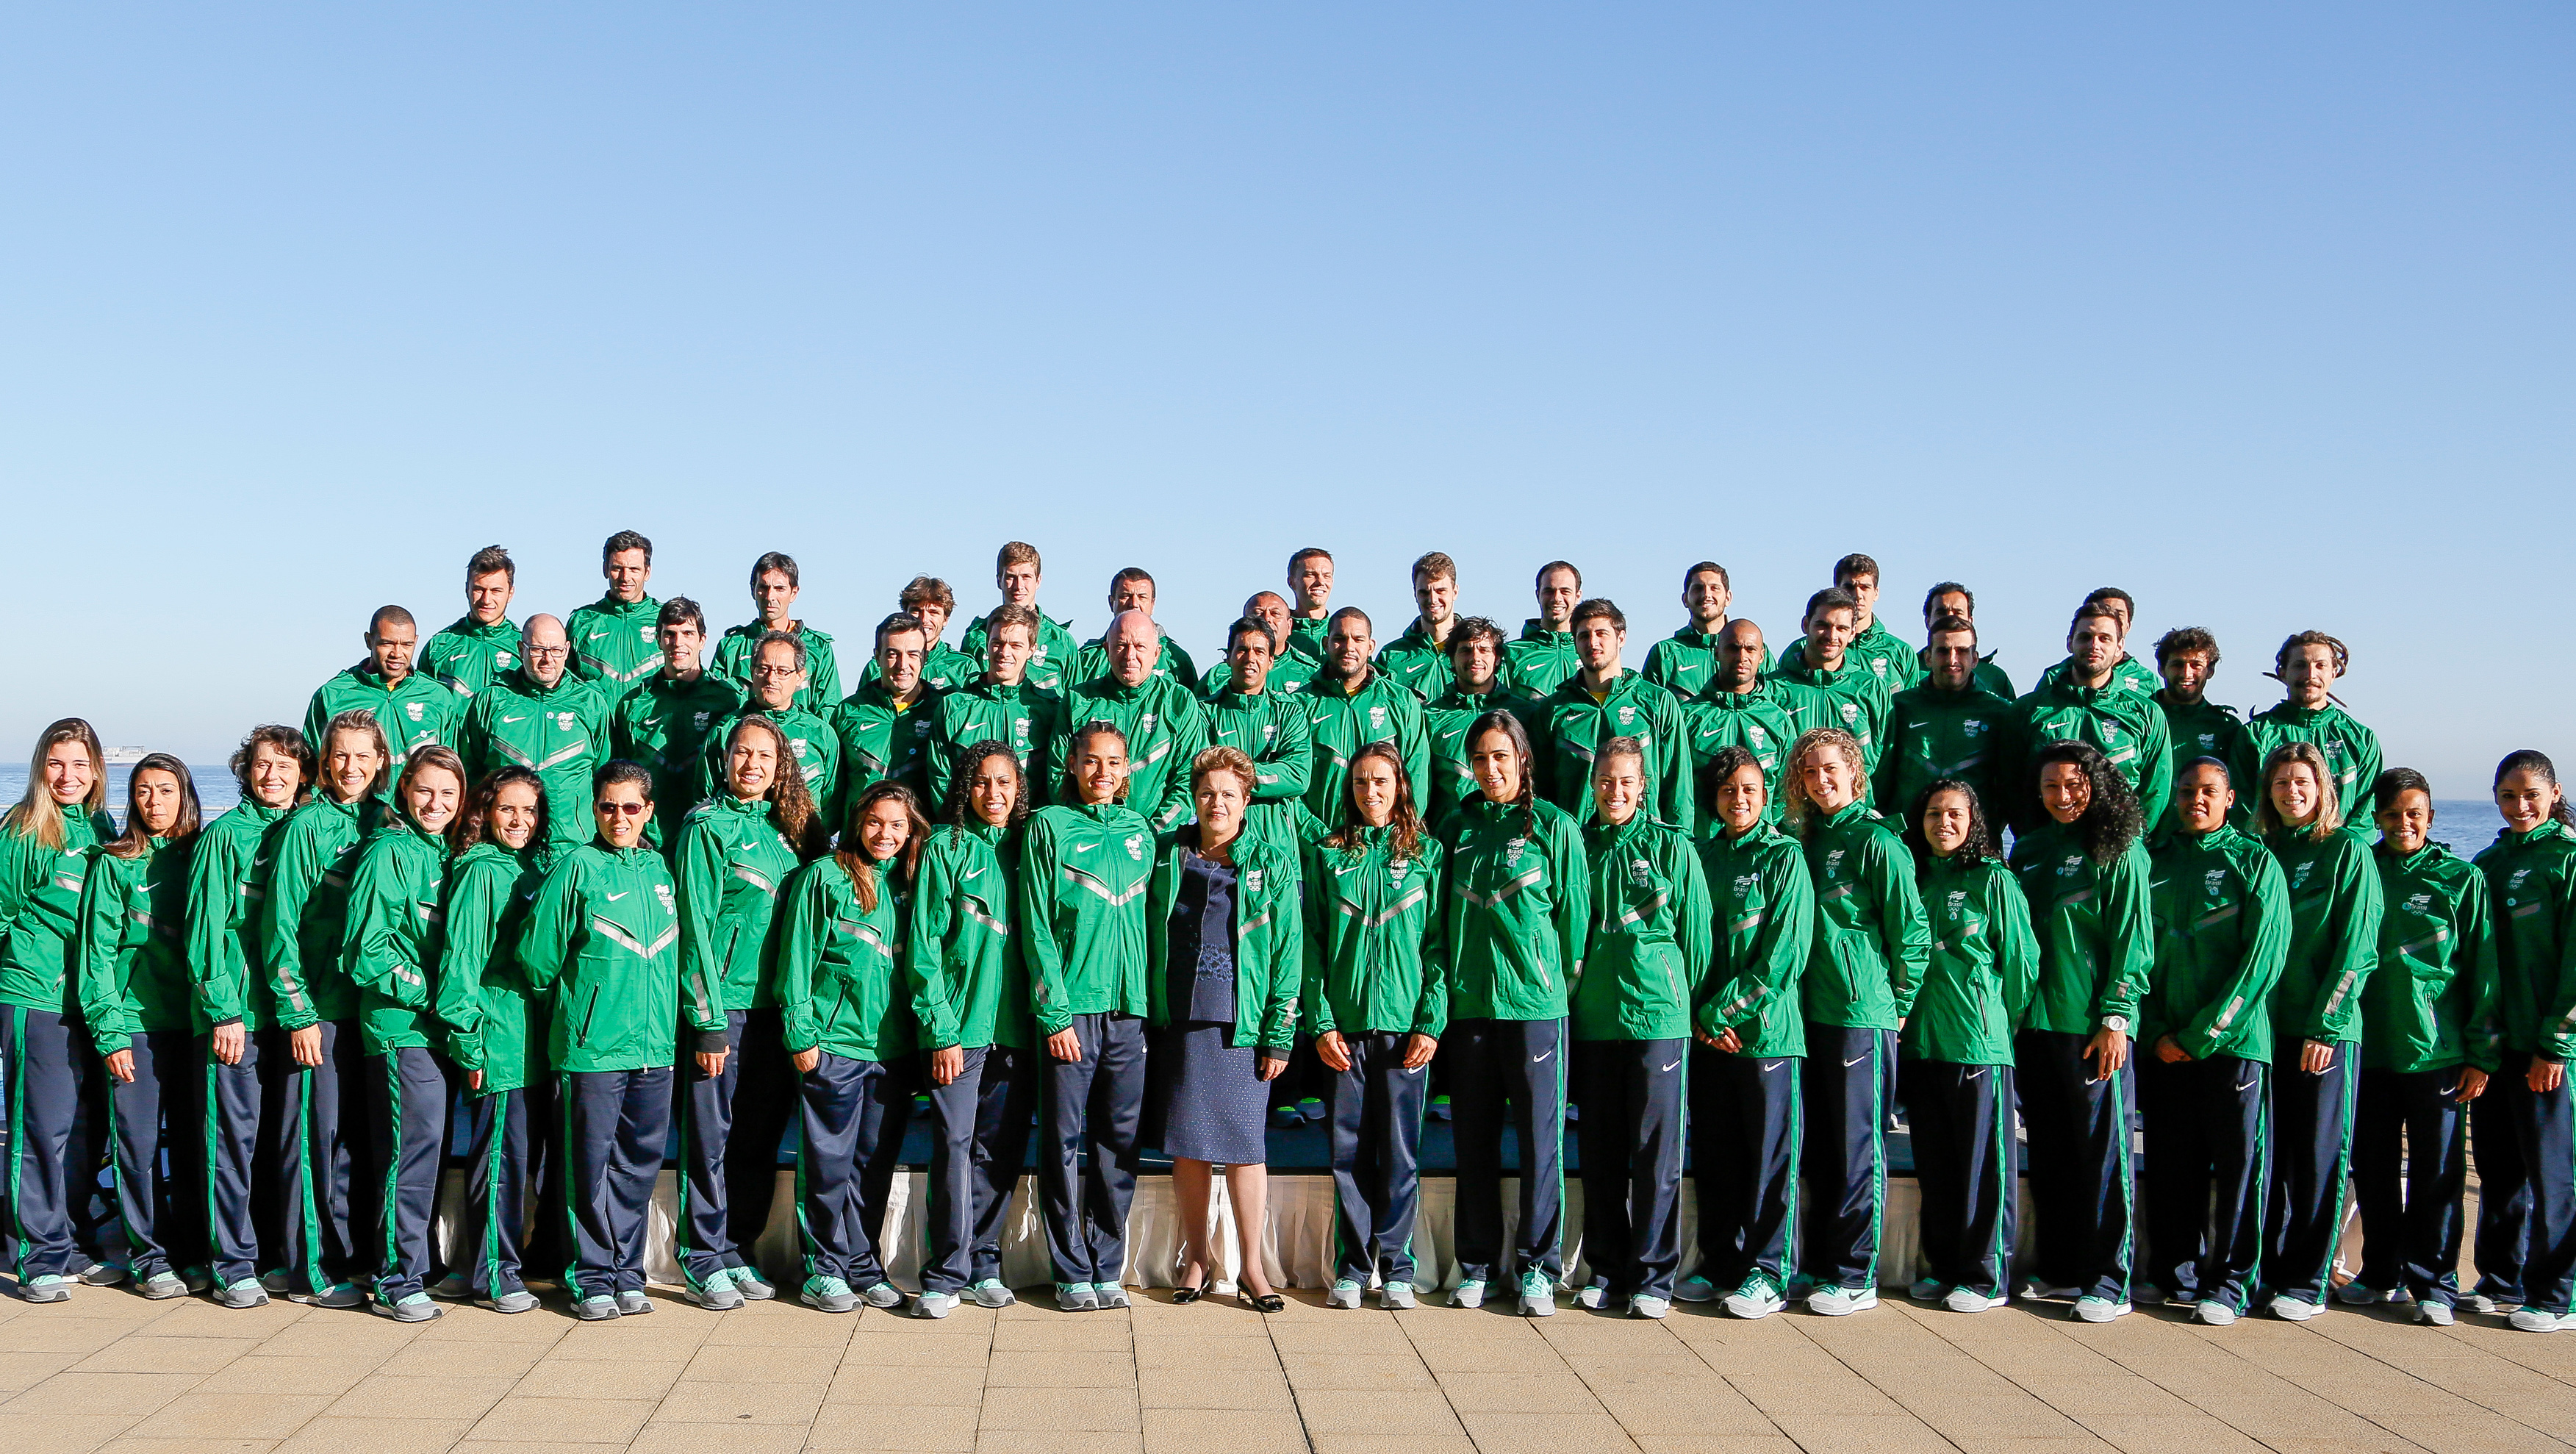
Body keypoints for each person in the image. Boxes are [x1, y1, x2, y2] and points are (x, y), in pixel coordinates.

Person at [518, 761, 681, 1320]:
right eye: (608, 806)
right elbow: (538, 959)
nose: (619, 817)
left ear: (648, 812)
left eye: (630, 807)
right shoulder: (576, 868)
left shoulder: (661, 870)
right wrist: (579, 1009)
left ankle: (626, 1272)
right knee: (588, 1167)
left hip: (654, 1047)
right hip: (592, 1049)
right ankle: (590, 1277)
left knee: (638, 1165)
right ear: (594, 809)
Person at [673, 714, 825, 1309]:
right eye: (742, 753)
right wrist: (708, 1020)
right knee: (710, 1138)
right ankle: (701, 1256)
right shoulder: (705, 828)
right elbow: (695, 930)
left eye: (765, 755)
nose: (753, 765)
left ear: (781, 764)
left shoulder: (795, 829)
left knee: (758, 1139)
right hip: (725, 1011)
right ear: (725, 758)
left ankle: (737, 1247)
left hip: (778, 1012)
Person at [1441, 709, 1588, 1317]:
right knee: (1471, 1140)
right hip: (1470, 1007)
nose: (1490, 768)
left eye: (1500, 756)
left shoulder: (1554, 826)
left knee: (1538, 1142)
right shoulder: (1456, 827)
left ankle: (1537, 1267)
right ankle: (1474, 1265)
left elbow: (1575, 925)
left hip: (1535, 1008)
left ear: (1522, 758)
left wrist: (1553, 989)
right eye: (1479, 759)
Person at [1146, 748, 1301, 1310]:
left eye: (1229, 794)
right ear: (1194, 796)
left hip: (1244, 1022)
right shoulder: (1168, 855)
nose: (1217, 803)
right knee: (1188, 1147)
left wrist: (1280, 1031)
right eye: (1208, 792)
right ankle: (1196, 1259)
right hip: (1181, 1018)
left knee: (1243, 1147)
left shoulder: (1271, 860)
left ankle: (1251, 1269)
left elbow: (1288, 950)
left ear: (1246, 800)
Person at [1783, 726, 1928, 1316]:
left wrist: (1892, 1008)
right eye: (1810, 772)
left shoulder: (1876, 842)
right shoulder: (1807, 840)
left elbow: (1910, 933)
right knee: (1819, 1148)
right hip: (1807, 1015)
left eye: (1830, 770)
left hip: (1858, 1016)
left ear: (1854, 773)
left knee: (1855, 1147)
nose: (1821, 780)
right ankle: (1819, 1264)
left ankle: (1854, 1273)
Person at [2142, 759, 2291, 1326]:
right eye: (2186, 791)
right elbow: (2139, 953)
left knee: (2238, 1167)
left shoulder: (2254, 862)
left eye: (2208, 791)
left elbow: (2262, 961)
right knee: (2171, 1161)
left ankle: (2229, 1281)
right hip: (2164, 1046)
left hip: (2232, 1047)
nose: (2195, 800)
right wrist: (2156, 1031)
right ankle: (2174, 1271)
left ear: (2230, 799)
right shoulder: (2154, 864)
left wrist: (2203, 1034)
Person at [2007, 741, 2152, 1322]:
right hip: (2035, 1026)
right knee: (2050, 1152)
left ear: (2096, 784)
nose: (2062, 796)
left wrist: (2116, 1018)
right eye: (2050, 787)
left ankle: (2108, 1278)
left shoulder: (2118, 849)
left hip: (2091, 1029)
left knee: (2101, 1154)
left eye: (2073, 785)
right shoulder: (2034, 848)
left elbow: (2132, 941)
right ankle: (2062, 1268)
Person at [2344, 768, 2491, 1325]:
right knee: (2374, 1168)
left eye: (2415, 813)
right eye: (2392, 814)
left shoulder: (2460, 878)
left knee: (2436, 1174)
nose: (2404, 823)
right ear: (2375, 817)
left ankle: (2434, 1284)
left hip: (2438, 1053)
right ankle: (2379, 1272)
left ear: (2430, 816)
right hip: (2368, 1049)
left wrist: (2481, 1052)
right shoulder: (2360, 870)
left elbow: (2482, 971)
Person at [1303, 740, 1446, 1310]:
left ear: (1400, 786)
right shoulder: (1328, 854)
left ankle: (1399, 1268)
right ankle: (1352, 1267)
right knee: (1349, 1152)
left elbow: (1438, 947)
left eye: (1381, 781)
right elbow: (1312, 947)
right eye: (1361, 782)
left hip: (1405, 1028)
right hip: (1344, 1028)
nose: (1371, 792)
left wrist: (1430, 1022)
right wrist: (1319, 1022)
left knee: (1400, 1151)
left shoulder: (1426, 855)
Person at [1571, 737, 1711, 1319]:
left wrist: (1681, 1001)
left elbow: (1699, 938)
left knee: (1655, 1153)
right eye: (1605, 780)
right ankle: (1606, 1269)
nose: (1614, 791)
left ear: (1643, 785)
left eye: (1625, 781)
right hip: (1597, 1019)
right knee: (1600, 1151)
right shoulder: (1578, 845)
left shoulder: (1671, 847)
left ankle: (1653, 1276)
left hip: (1659, 1018)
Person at [1019, 723, 1156, 1311]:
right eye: (1091, 762)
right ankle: (1069, 1266)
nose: (1102, 772)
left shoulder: (1140, 831)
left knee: (1118, 1143)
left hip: (1130, 1014)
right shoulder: (1049, 826)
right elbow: (1035, 925)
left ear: (1128, 770)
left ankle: (1105, 1261)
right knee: (1063, 1141)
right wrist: (1055, 1013)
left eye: (1114, 763)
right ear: (1072, 765)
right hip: (1072, 1010)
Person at [1675, 745, 1813, 1317]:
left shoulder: (1784, 858)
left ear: (1766, 796)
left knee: (1767, 1158)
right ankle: (1720, 1262)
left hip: (1764, 1035)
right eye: (1729, 790)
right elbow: (1682, 942)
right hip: (1708, 1036)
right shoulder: (1700, 856)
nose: (1739, 799)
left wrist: (1721, 1013)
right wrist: (1697, 1017)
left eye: (1750, 791)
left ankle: (1768, 1269)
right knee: (1716, 1154)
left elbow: (1784, 955)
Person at [778, 781, 927, 1314]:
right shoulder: (824, 877)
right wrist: (801, 1032)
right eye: (874, 822)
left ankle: (864, 1265)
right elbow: (797, 958)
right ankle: (823, 1268)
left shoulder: (913, 884)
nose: (884, 833)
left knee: (872, 1166)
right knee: (827, 1164)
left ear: (910, 830)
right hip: (833, 1045)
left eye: (896, 825)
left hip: (890, 1053)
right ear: (857, 820)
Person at [905, 741, 1038, 1315]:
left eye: (1004, 783)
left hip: (1018, 1029)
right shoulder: (945, 847)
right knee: (953, 1146)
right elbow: (923, 948)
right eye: (982, 782)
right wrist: (940, 1028)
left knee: (998, 1150)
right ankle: (945, 1271)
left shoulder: (1032, 848)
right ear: (965, 787)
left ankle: (985, 1261)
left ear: (1020, 789)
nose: (993, 794)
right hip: (959, 1029)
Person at [2253, 741, 2383, 1320]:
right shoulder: (2260, 849)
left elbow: (2357, 948)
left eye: (2301, 782)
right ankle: (2269, 1271)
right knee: (2272, 1155)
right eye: (2281, 782)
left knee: (2317, 1155)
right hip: (2262, 1032)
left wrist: (2325, 1026)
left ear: (2323, 788)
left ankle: (2307, 1280)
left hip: (2322, 1032)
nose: (2291, 791)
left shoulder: (2347, 852)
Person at [263, 710, 390, 1307]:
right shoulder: (306, 826)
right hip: (319, 1013)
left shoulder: (387, 822)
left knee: (361, 1146)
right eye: (340, 755)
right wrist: (297, 1013)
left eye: (363, 756)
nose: (351, 767)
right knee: (315, 1143)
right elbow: (278, 928)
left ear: (381, 761)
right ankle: (310, 1271)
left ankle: (359, 1257)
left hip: (371, 1014)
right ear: (323, 760)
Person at [1900, 781, 2038, 1314]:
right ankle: (1944, 1266)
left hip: (1978, 1045)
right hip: (1923, 1045)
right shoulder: (1915, 878)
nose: (1943, 823)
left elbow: (2021, 967)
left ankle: (1985, 1275)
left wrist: (1996, 1022)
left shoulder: (1994, 880)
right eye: (1933, 813)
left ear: (1973, 820)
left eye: (1954, 814)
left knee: (1983, 1166)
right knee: (1936, 1165)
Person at [187, 725, 312, 1309]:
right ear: (245, 770)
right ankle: (230, 1264)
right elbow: (205, 930)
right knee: (230, 1142)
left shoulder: (306, 831)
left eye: (285, 766)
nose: (273, 776)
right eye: (263, 765)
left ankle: (270, 1256)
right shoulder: (224, 836)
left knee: (278, 1145)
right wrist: (221, 1010)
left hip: (287, 1014)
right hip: (236, 1016)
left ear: (303, 774)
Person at [342, 744, 468, 1322]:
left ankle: (415, 1262)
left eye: (448, 794)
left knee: (429, 1152)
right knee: (409, 1155)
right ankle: (396, 1278)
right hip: (400, 1029)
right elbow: (364, 953)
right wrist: (435, 994)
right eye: (424, 791)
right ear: (402, 791)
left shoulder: (445, 854)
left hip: (436, 1030)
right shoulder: (389, 851)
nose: (435, 803)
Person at [76, 753, 206, 1300]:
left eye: (166, 790)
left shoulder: (203, 856)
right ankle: (148, 1257)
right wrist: (111, 1033)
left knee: (199, 1144)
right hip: (134, 1027)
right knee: (137, 1145)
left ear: (186, 796)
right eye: (145, 791)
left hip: (198, 1025)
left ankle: (195, 1250)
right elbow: (96, 956)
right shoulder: (114, 862)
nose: (155, 802)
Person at [1, 720, 119, 1303]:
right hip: (35, 999)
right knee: (38, 1129)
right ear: (39, 768)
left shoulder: (100, 825)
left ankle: (67, 1240)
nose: (67, 776)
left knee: (83, 1129)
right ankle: (32, 1254)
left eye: (79, 764)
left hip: (89, 1004)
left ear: (96, 768)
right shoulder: (24, 830)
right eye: (56, 763)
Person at [440, 767, 556, 1314]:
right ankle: (493, 1273)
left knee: (521, 1160)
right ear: (485, 811)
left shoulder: (530, 867)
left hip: (535, 1043)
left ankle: (491, 1265)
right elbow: (459, 965)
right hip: (499, 1041)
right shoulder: (480, 871)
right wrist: (470, 1041)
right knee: (500, 1163)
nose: (519, 821)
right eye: (508, 808)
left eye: (530, 810)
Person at [2468, 751, 2576, 1332]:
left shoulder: (2568, 861)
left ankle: (2556, 1292)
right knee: (2497, 1166)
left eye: (2530, 794)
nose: (2520, 806)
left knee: (2551, 1169)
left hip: (2546, 1050)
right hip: (2495, 1045)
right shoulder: (2486, 863)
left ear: (2553, 794)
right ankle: (2498, 1277)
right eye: (2508, 796)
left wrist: (2554, 1045)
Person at [2003, 603, 2175, 833]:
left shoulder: (2147, 713)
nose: (2094, 645)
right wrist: (2036, 843)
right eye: (2085, 637)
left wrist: (2129, 841)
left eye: (2105, 638)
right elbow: (2010, 787)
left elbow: (2155, 792)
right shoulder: (2028, 710)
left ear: (2119, 647)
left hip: (2119, 852)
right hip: (2048, 852)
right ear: (2069, 642)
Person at [1539, 599, 1692, 836]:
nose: (1593, 643)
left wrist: (1679, 842)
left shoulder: (1657, 702)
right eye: (1583, 636)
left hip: (1643, 845)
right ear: (1575, 642)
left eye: (1602, 634)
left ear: (1621, 638)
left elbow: (1677, 783)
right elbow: (1540, 790)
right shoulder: (1553, 709)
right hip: (1578, 845)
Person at [461, 615, 613, 849]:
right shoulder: (491, 701)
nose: (547, 659)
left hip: (569, 844)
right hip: (504, 843)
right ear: (521, 649)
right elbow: (470, 770)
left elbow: (603, 774)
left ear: (567, 650)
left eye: (555, 650)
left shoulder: (591, 703)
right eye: (538, 650)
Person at [611, 597, 742, 853]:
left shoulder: (728, 699)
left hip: (707, 835)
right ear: (658, 640)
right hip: (647, 839)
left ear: (703, 640)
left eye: (688, 633)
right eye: (669, 634)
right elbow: (619, 773)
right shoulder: (633, 703)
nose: (678, 642)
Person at [1058, 611, 1208, 833]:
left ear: (1156, 654)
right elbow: (1058, 773)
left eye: (1140, 647)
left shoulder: (1179, 702)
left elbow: (1189, 779)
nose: (1130, 656)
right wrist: (1089, 828)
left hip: (1158, 839)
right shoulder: (1077, 700)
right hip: (1086, 835)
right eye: (1121, 645)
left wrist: (1153, 831)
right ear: (1107, 650)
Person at [2235, 632, 2381, 842]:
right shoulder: (2255, 735)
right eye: (2300, 665)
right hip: (2273, 858)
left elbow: (2366, 814)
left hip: (2336, 862)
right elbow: (2242, 809)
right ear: (2283, 673)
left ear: (2334, 672)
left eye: (2320, 666)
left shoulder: (2360, 739)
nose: (2310, 674)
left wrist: (2341, 854)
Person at [303, 604, 456, 798]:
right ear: (369, 641)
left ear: (416, 642)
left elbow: (449, 769)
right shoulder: (332, 695)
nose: (397, 653)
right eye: (387, 643)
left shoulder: (438, 696)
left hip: (413, 819)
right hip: (354, 819)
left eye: (407, 645)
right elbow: (312, 770)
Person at [1876, 614, 2014, 821]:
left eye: (1961, 651)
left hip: (1975, 840)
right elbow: (1881, 778)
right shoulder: (1899, 707)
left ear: (1975, 659)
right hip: (1909, 840)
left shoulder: (2000, 713)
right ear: (1928, 658)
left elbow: (2011, 786)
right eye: (1943, 651)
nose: (1952, 660)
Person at [929, 604, 1065, 812]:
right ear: (986, 643)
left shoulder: (1050, 709)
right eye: (997, 643)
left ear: (1031, 650)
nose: (1004, 652)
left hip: (1027, 836)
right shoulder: (954, 707)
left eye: (1016, 645)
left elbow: (1058, 782)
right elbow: (941, 781)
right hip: (970, 836)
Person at [1303, 607, 1432, 828]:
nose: (1348, 647)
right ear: (1325, 644)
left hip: (1386, 843)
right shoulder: (1301, 704)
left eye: (1358, 639)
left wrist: (1403, 830)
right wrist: (1315, 838)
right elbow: (1295, 782)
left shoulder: (1400, 701)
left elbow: (1417, 773)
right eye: (1339, 639)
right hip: (1323, 845)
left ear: (1371, 646)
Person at [700, 631, 843, 826]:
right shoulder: (725, 730)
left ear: (800, 676)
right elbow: (705, 798)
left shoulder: (821, 734)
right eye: (763, 669)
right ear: (752, 671)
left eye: (782, 671)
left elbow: (832, 806)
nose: (771, 679)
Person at [1423, 617, 1549, 831]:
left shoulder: (1525, 713)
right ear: (1452, 659)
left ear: (1498, 658)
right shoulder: (1431, 716)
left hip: (1513, 832)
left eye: (1484, 650)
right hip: (1450, 838)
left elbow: (1542, 777)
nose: (1475, 658)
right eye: (1465, 651)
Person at [1202, 615, 1313, 852]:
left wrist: (1232, 777)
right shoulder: (1205, 713)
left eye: (1259, 652)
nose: (1250, 658)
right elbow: (1201, 775)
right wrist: (1269, 775)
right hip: (1220, 847)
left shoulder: (1289, 713)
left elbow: (1298, 776)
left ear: (1271, 661)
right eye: (1242, 650)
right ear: (1228, 657)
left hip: (1278, 846)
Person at [1685, 619, 1798, 834]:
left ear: (1762, 656)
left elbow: (1787, 795)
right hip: (1703, 849)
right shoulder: (1688, 716)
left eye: (1750, 649)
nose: (1742, 657)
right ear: (1717, 653)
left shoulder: (1779, 720)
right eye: (1733, 648)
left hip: (1760, 852)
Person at [1770, 589, 1894, 771]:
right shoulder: (1774, 689)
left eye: (1841, 628)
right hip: (1793, 799)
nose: (1831, 636)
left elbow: (1887, 762)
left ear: (1852, 633)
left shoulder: (1872, 689)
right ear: (1805, 625)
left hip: (1856, 800)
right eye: (1823, 625)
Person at [836, 612, 945, 806]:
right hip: (860, 833)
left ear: (924, 658)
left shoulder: (943, 711)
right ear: (877, 657)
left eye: (912, 654)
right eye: (893, 654)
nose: (902, 665)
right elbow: (831, 791)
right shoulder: (849, 712)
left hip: (922, 833)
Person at [709, 551, 841, 712]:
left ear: (794, 593)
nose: (770, 596)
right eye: (763, 587)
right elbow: (716, 704)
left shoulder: (819, 648)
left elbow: (829, 708)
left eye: (780, 588)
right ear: (753, 590)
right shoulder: (730, 647)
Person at [1776, 554, 1923, 693]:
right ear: (1836, 589)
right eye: (1849, 587)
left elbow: (1909, 707)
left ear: (1876, 593)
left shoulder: (1901, 652)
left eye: (1865, 587)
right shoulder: (1800, 650)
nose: (1858, 595)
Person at [960, 541, 1081, 695]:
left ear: (1038, 581)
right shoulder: (976, 638)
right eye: (1011, 577)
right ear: (999, 581)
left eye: (1026, 577)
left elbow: (1075, 705)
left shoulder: (1062, 642)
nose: (1019, 586)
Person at [565, 529, 664, 705]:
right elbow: (565, 686)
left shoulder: (666, 619)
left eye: (634, 569)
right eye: (618, 568)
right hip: (599, 729)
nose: (625, 577)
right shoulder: (582, 621)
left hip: (649, 729)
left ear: (647, 572)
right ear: (605, 570)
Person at [420, 545, 523, 701]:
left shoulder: (524, 648)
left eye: (496, 591)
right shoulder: (439, 646)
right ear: (466, 589)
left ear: (511, 593)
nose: (486, 600)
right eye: (479, 589)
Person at [1072, 568, 1200, 690]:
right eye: (1125, 596)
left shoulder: (1176, 659)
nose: (1134, 603)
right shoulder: (1088, 659)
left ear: (1152, 604)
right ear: (1112, 602)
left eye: (1142, 597)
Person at [2032, 588, 2161, 699]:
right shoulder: (2055, 676)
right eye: (2102, 610)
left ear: (2128, 625)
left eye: (2118, 614)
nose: (2110, 617)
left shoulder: (2147, 680)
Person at [2151, 626, 2244, 776]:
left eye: (2196, 665)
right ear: (2161, 669)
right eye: (2177, 665)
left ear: (2210, 671)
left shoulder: (2226, 727)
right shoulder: (2139, 717)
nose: (2186, 673)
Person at [1376, 551, 1463, 701]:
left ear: (1455, 592)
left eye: (1440, 591)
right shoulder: (1392, 655)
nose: (1433, 599)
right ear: (1415, 594)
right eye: (1424, 592)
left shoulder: (1475, 652)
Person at [1915, 582, 2013, 699]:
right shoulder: (1909, 667)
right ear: (1928, 621)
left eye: (1958, 613)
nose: (1950, 618)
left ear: (1970, 620)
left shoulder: (1993, 677)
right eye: (1941, 612)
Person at [1504, 561, 1585, 695]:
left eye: (1565, 591)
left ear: (1577, 596)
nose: (1557, 598)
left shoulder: (1590, 651)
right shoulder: (1511, 654)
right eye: (1549, 591)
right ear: (1538, 595)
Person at [901, 576, 983, 692]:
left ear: (945, 620)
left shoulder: (963, 667)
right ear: (905, 614)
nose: (924, 619)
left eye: (933, 612)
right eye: (917, 611)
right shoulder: (880, 666)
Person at [1284, 548, 1336, 664]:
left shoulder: (1343, 633)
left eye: (1326, 576)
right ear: (1291, 582)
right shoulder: (1279, 633)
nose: (1320, 582)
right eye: (1310, 575)